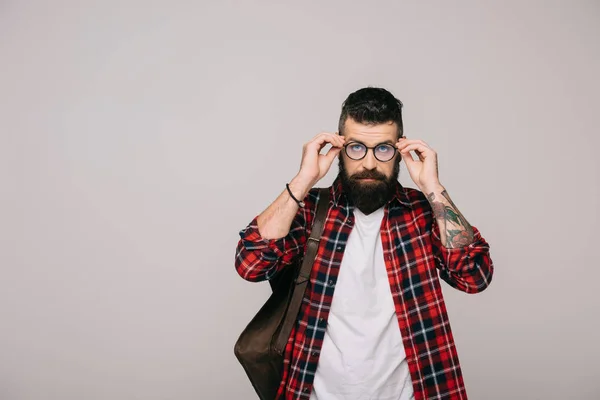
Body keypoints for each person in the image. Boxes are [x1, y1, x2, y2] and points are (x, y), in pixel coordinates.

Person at [234, 87, 494, 400]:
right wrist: (304, 179)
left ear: (400, 150)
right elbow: (251, 263)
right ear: (339, 146)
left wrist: (434, 188)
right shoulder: (310, 209)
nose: (369, 163)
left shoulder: (422, 212)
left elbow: (475, 276)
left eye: (383, 149)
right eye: (357, 147)